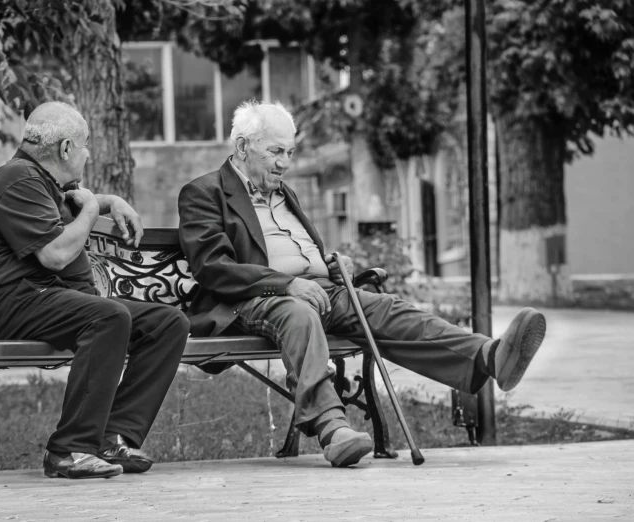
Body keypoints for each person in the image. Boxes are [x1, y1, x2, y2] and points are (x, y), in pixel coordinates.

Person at [178, 100, 546, 469]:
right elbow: (213, 267)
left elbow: (290, 248)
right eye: (275, 151)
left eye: (289, 152)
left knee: (387, 308)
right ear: (243, 147)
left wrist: (328, 265)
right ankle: (333, 429)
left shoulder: (283, 192)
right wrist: (287, 283)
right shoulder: (205, 192)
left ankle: (488, 357)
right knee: (298, 314)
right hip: (254, 298)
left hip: (318, 290)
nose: (285, 162)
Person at [0, 101, 189, 479]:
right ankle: (70, 449)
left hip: (43, 299)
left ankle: (114, 435)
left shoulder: (41, 182)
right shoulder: (16, 179)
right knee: (108, 316)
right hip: (12, 303)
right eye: (85, 145)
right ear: (66, 148)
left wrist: (107, 201)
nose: (87, 155)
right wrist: (91, 210)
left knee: (167, 324)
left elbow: (69, 220)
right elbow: (55, 255)